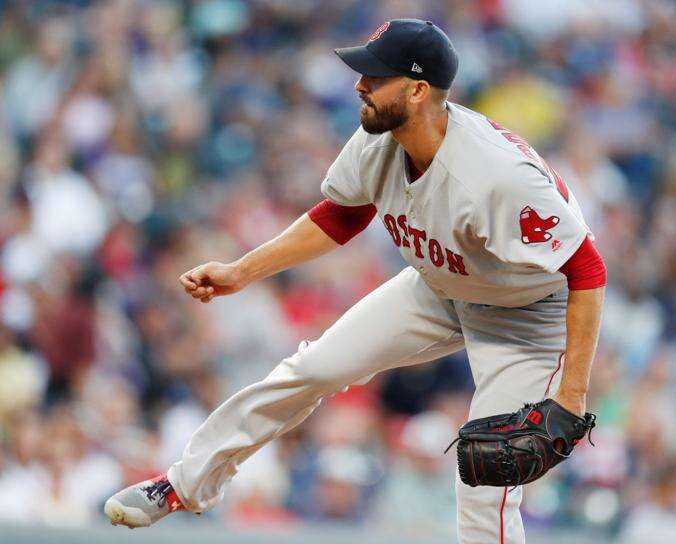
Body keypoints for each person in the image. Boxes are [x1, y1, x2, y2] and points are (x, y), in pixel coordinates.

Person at [104, 19, 606, 544]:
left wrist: (571, 396)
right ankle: (184, 485)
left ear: (416, 90)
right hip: (443, 283)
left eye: (375, 75)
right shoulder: (382, 136)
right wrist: (241, 271)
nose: (359, 85)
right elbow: (341, 216)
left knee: (484, 487)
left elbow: (587, 269)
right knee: (314, 367)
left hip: (527, 313)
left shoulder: (496, 175)